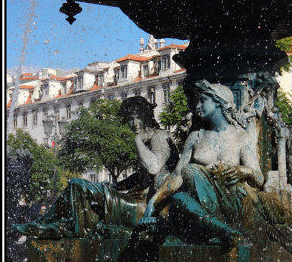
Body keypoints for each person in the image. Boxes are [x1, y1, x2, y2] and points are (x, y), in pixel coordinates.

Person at [139, 79, 292, 251]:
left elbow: (258, 179)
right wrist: (153, 200)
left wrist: (245, 171)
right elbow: (176, 176)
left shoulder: (241, 138)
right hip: (202, 204)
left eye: (204, 100)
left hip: (232, 200)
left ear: (219, 102)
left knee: (191, 170)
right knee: (178, 197)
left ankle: (219, 228)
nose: (198, 105)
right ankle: (224, 231)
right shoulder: (195, 137)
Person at [13, 96, 178, 239]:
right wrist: (116, 185)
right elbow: (140, 177)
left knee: (78, 185)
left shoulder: (160, 137)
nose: (134, 124)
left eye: (138, 117)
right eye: (130, 119)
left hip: (145, 208)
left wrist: (137, 141)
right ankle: (50, 226)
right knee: (80, 188)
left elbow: (154, 167)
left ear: (146, 116)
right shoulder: (146, 138)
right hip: (134, 200)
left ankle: (46, 226)